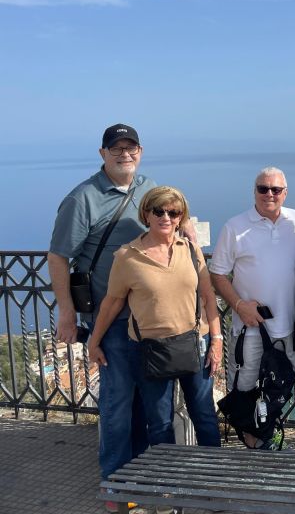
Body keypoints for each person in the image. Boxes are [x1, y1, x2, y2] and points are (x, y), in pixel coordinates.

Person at [47, 123, 157, 510]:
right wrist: (66, 311)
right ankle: (114, 482)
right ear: (103, 153)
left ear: (140, 151)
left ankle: (140, 475)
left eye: (131, 147)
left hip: (150, 318)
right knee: (117, 401)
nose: (124, 154)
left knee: (147, 401)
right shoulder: (83, 199)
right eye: (116, 148)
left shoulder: (149, 189)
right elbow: (58, 257)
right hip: (109, 319)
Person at [87, 186, 222, 450]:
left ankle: (213, 475)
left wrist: (216, 339)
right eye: (158, 211)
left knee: (204, 416)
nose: (166, 218)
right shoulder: (128, 256)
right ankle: (165, 482)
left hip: (193, 342)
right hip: (150, 349)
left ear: (181, 217)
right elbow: (112, 303)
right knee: (159, 422)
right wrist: (95, 341)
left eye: (174, 212)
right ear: (146, 214)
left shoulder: (191, 251)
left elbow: (208, 297)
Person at [209, 167, 295, 449]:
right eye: (263, 188)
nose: (269, 194)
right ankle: (255, 445)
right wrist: (239, 305)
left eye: (275, 190)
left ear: (285, 193)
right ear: (254, 191)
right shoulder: (235, 227)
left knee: (281, 386)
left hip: (289, 326)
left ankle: (268, 437)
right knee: (245, 387)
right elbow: (217, 274)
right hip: (251, 327)